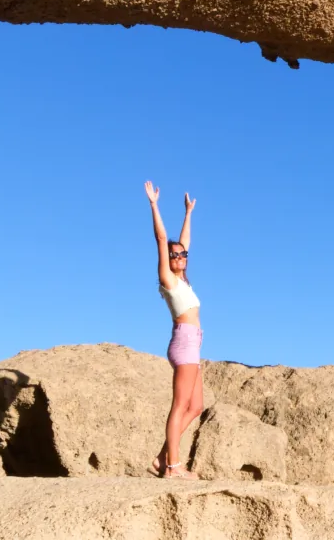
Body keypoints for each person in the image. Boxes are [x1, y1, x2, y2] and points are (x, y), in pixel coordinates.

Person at [145, 181, 204, 479]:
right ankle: (173, 468)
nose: (180, 257)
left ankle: (162, 456)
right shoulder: (167, 279)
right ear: (168, 261)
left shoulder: (184, 280)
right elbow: (162, 238)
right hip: (184, 343)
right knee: (180, 405)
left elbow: (183, 241)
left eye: (183, 255)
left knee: (197, 405)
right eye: (175, 256)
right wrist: (154, 205)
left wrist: (188, 213)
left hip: (193, 343)